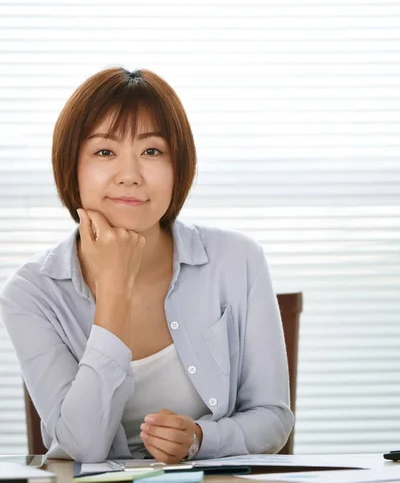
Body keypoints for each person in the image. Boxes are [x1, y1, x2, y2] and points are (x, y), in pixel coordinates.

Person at [0, 67, 294, 463]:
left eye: (152, 151)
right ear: (72, 166)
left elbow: (273, 418)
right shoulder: (31, 292)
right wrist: (115, 288)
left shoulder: (238, 259)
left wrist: (200, 439)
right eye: (105, 152)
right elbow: (80, 446)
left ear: (179, 167)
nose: (130, 176)